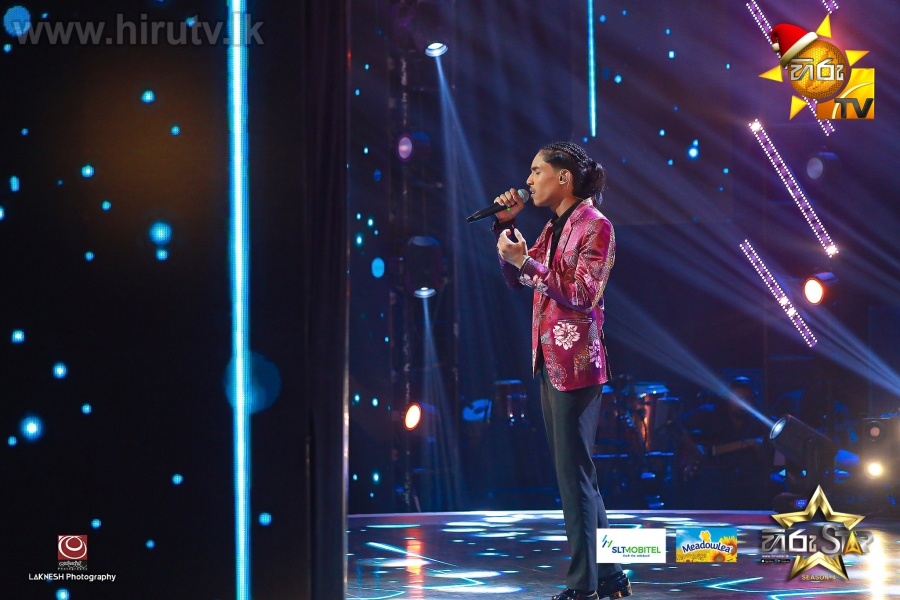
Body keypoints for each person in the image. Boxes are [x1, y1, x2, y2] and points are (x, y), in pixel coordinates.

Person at [492, 142, 630, 600]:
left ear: (564, 177)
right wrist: (506, 230)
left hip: (577, 365)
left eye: (537, 171)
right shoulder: (555, 227)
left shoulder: (596, 226)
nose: (528, 180)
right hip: (550, 360)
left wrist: (524, 262)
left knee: (574, 479)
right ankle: (610, 576)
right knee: (579, 475)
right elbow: (520, 278)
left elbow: (582, 294)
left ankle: (582, 587)